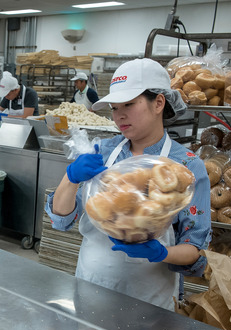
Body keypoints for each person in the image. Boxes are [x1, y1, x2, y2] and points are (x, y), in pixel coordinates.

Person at [46, 58, 211, 310]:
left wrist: (162, 252)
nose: (119, 115)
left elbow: (195, 249)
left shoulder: (185, 166)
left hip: (150, 298)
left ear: (158, 103)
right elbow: (61, 219)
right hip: (92, 285)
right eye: (114, 107)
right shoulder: (101, 153)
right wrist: (70, 178)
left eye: (129, 104)